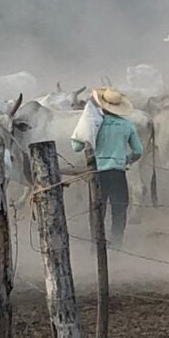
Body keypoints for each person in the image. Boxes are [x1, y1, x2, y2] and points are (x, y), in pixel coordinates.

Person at [71, 87, 143, 248]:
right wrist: (126, 159)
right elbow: (139, 151)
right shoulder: (127, 125)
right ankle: (117, 245)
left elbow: (76, 146)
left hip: (98, 172)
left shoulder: (93, 123)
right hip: (118, 173)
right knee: (119, 211)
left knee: (97, 210)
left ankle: (95, 245)